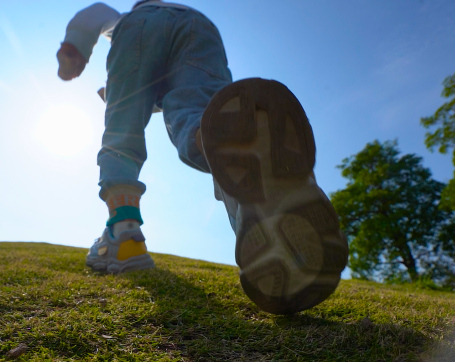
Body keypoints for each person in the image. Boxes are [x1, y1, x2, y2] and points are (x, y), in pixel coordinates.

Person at [57, 0, 349, 314]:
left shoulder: (126, 21)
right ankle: (243, 156)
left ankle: (123, 233)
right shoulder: (181, 18)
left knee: (121, 129)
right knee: (199, 113)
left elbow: (97, 12)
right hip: (201, 29)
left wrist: (76, 48)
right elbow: (166, 96)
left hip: (138, 31)